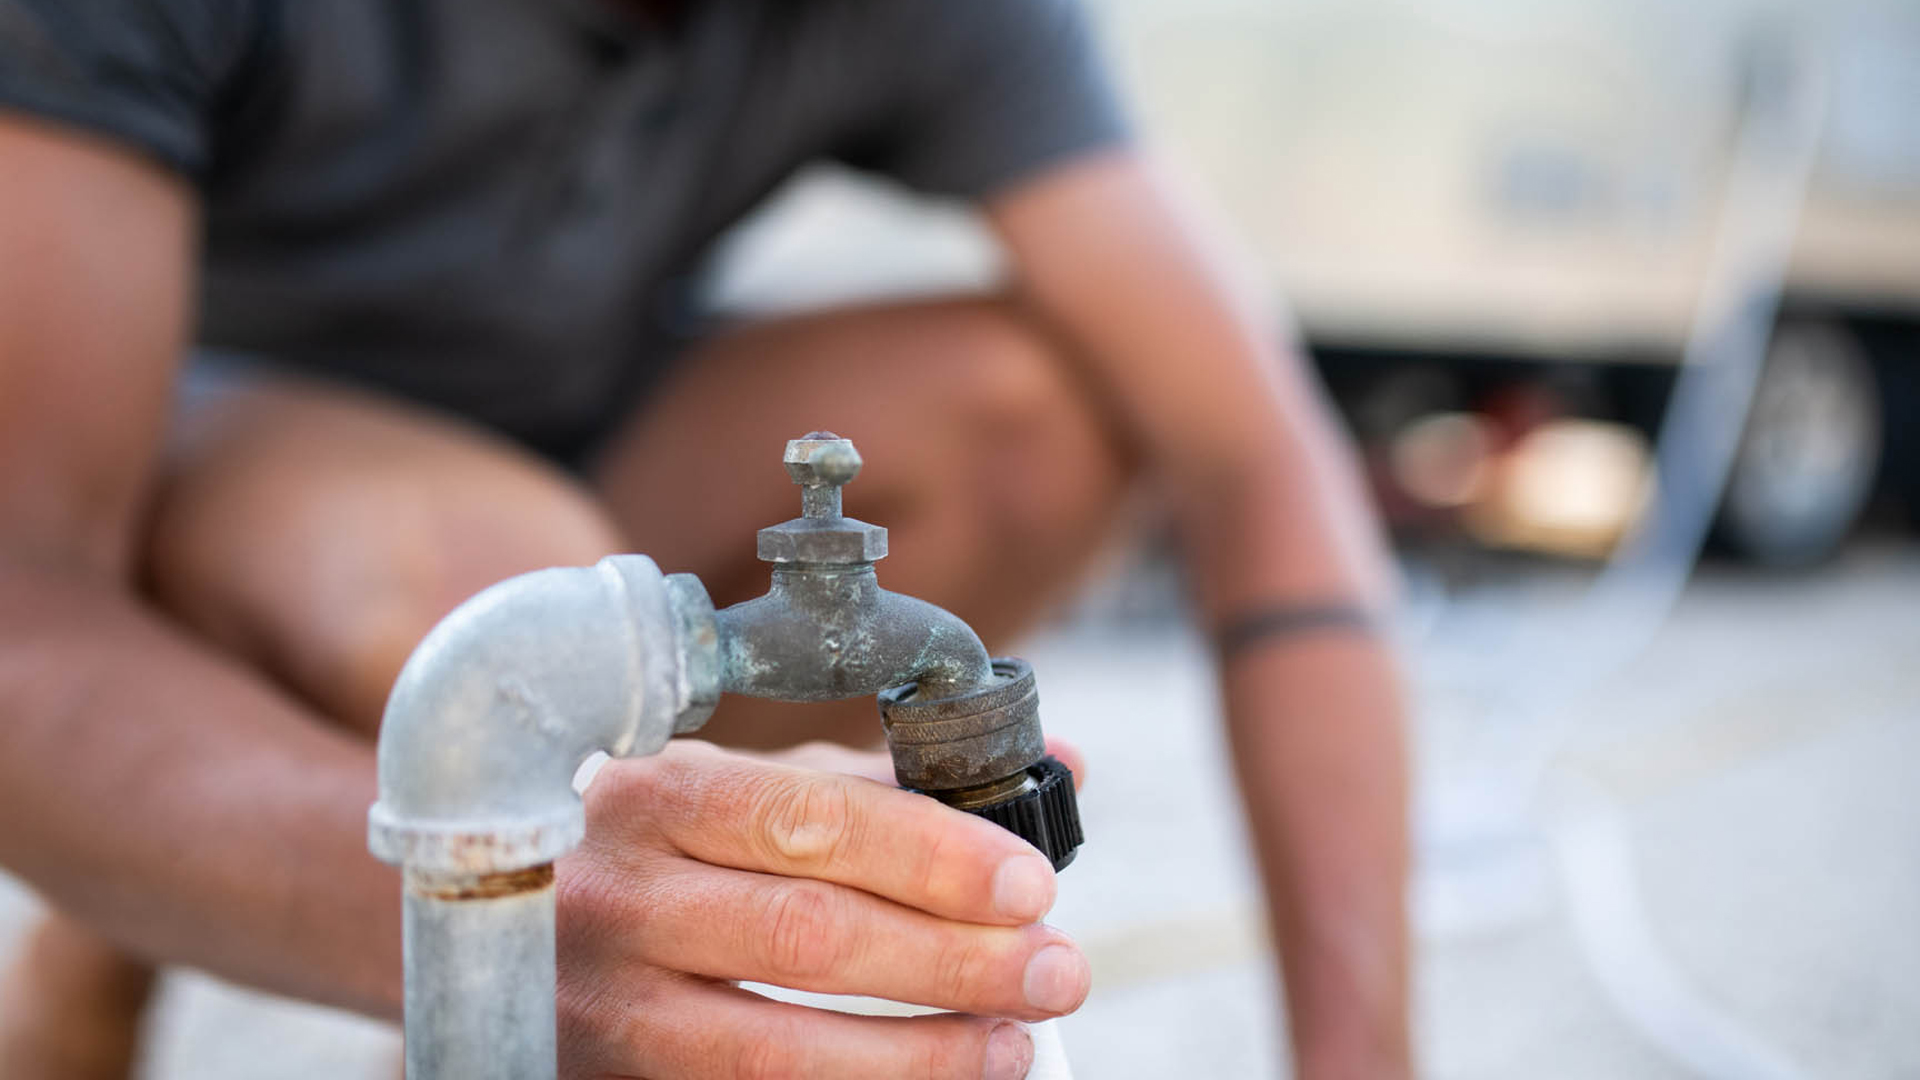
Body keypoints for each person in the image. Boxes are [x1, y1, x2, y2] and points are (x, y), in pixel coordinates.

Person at [0, 0, 1410, 1077]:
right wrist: (475, 925)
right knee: (507, 589)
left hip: (582, 430)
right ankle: (117, 932)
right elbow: (21, 592)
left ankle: (595, 950)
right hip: (196, 448)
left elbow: (1256, 456)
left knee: (1031, 422)